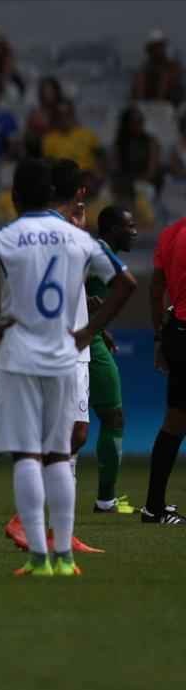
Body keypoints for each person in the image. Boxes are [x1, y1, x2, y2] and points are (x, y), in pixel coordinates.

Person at [0, 158, 134, 576]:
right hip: (64, 354)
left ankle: (40, 557)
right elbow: (127, 283)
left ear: (15, 197)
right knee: (59, 454)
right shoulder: (77, 237)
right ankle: (65, 558)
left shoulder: (4, 235)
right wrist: (90, 330)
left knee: (28, 455)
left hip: (18, 355)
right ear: (65, 194)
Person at [88, 205, 138, 514]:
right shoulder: (97, 252)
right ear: (110, 229)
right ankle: (106, 500)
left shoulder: (94, 251)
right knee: (113, 417)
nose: (134, 231)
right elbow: (68, 286)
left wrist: (100, 326)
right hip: (85, 342)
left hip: (90, 336)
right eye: (128, 226)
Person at [143, 208, 186, 524]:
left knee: (174, 422)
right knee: (175, 422)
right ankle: (153, 509)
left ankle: (153, 506)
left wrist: (160, 338)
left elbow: (156, 289)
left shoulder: (170, 234)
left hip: (176, 332)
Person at [110, 105, 162, 201]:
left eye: (140, 121)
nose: (138, 124)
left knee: (144, 191)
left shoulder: (151, 142)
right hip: (125, 182)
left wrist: (136, 181)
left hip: (144, 182)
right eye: (134, 121)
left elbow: (152, 171)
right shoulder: (119, 143)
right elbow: (116, 168)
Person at [42, 100, 103, 173]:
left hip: (87, 178)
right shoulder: (49, 139)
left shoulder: (88, 134)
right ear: (56, 117)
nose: (64, 118)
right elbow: (48, 166)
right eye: (60, 115)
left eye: (67, 114)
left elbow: (101, 157)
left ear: (72, 114)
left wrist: (99, 174)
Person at [131, 29, 183, 107]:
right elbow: (136, 92)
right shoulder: (143, 70)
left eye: (159, 47)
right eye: (154, 47)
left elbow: (175, 80)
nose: (157, 50)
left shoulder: (172, 66)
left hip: (170, 109)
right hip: (146, 109)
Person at [23, 76, 64, 157]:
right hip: (37, 152)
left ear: (56, 92)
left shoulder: (62, 112)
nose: (48, 94)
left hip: (59, 151)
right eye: (46, 90)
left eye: (51, 90)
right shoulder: (35, 114)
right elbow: (27, 133)